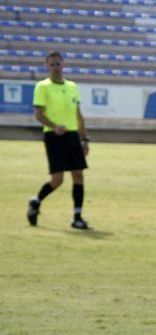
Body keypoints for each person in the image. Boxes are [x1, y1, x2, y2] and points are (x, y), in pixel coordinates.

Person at [26, 51, 90, 230]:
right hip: (54, 137)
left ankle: (77, 217)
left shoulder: (72, 86)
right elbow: (38, 114)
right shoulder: (42, 87)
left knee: (78, 175)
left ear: (63, 65)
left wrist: (84, 138)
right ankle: (36, 202)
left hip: (72, 136)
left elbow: (78, 115)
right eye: (52, 64)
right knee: (57, 179)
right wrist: (54, 126)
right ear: (47, 66)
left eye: (58, 63)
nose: (56, 67)